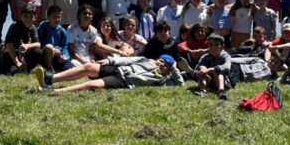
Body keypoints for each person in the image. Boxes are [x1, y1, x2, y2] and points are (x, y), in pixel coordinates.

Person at [34, 54, 182, 93]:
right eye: (161, 61)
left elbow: (180, 84)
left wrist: (174, 67)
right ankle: (49, 79)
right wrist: (110, 60)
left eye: (166, 65)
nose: (162, 64)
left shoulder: (161, 80)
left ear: (168, 70)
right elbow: (127, 60)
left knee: (93, 84)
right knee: (88, 67)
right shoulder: (145, 59)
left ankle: (55, 92)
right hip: (118, 69)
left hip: (125, 82)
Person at [1, 4, 42, 75]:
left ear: (35, 17)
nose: (28, 19)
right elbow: (9, 45)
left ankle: (28, 68)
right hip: (11, 54)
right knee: (12, 71)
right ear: (21, 16)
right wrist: (17, 62)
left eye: (31, 16)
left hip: (23, 54)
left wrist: (27, 46)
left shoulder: (33, 28)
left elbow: (38, 44)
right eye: (25, 16)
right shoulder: (14, 26)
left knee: (38, 51)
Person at [193, 34, 232, 100]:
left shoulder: (226, 56)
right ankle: (201, 89)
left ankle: (221, 91)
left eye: (216, 45)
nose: (213, 47)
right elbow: (195, 71)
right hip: (209, 81)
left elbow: (227, 66)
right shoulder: (205, 57)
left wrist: (211, 69)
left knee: (218, 72)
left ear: (222, 47)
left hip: (223, 81)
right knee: (202, 70)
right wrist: (201, 71)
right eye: (210, 44)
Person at [38, 5, 72, 72]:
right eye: (54, 16)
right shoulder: (42, 27)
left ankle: (55, 67)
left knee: (68, 65)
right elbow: (38, 42)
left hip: (57, 54)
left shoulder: (61, 30)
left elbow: (64, 46)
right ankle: (48, 68)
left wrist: (64, 56)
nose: (57, 19)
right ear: (48, 16)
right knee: (49, 47)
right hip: (45, 52)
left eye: (59, 17)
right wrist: (52, 49)